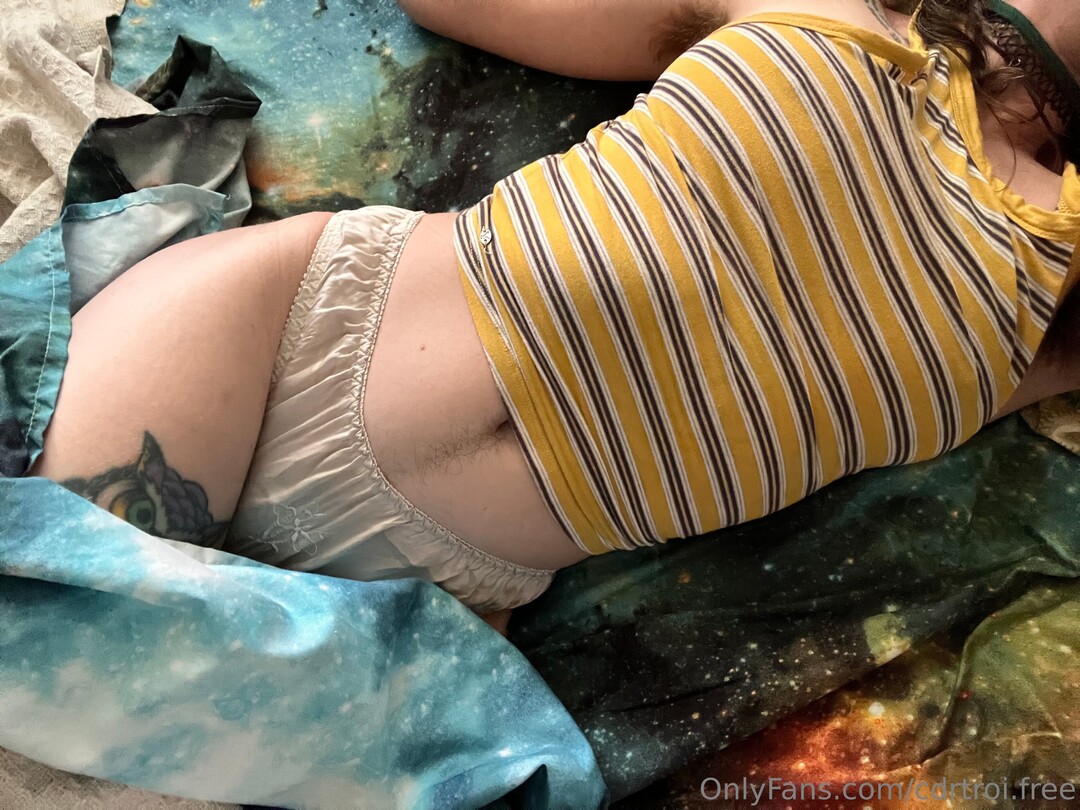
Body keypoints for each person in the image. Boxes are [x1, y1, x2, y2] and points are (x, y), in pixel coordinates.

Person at [31, 0, 1080, 626]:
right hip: (282, 340)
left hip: (448, 585)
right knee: (39, 638)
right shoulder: (838, 10)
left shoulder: (1067, 281)